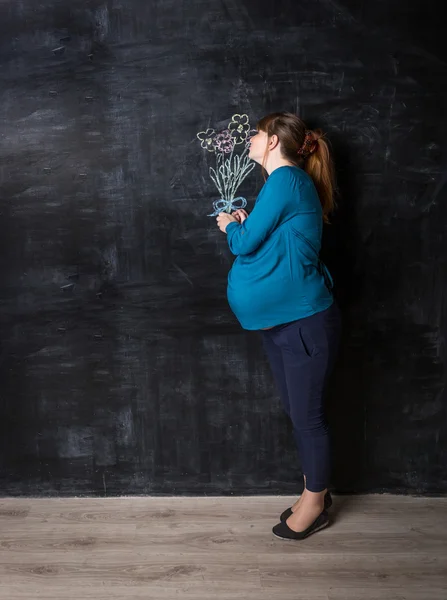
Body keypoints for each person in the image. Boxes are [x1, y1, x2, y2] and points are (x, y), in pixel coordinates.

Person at [216, 111, 342, 541]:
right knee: (298, 412)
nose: (250, 137)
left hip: (303, 322)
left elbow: (247, 244)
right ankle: (315, 492)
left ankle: (315, 503)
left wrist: (232, 226)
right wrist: (247, 222)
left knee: (308, 418)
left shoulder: (286, 181)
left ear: (272, 142)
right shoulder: (283, 185)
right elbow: (273, 242)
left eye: (256, 132)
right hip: (284, 323)